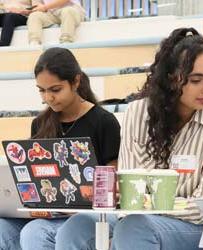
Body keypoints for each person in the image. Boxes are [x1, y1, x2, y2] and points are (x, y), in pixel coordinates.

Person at [50, 27, 203, 250]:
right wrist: (148, 201)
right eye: (196, 80)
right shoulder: (138, 113)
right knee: (76, 227)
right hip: (136, 218)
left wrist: (148, 202)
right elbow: (131, 193)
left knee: (135, 228)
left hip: (193, 227)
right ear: (171, 79)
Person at [0, 47, 121, 250]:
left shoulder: (103, 121)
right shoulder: (40, 123)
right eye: (42, 90)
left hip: (94, 215)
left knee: (35, 232)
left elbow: (115, 183)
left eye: (55, 90)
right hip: (48, 213)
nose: (48, 98)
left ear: (75, 81)